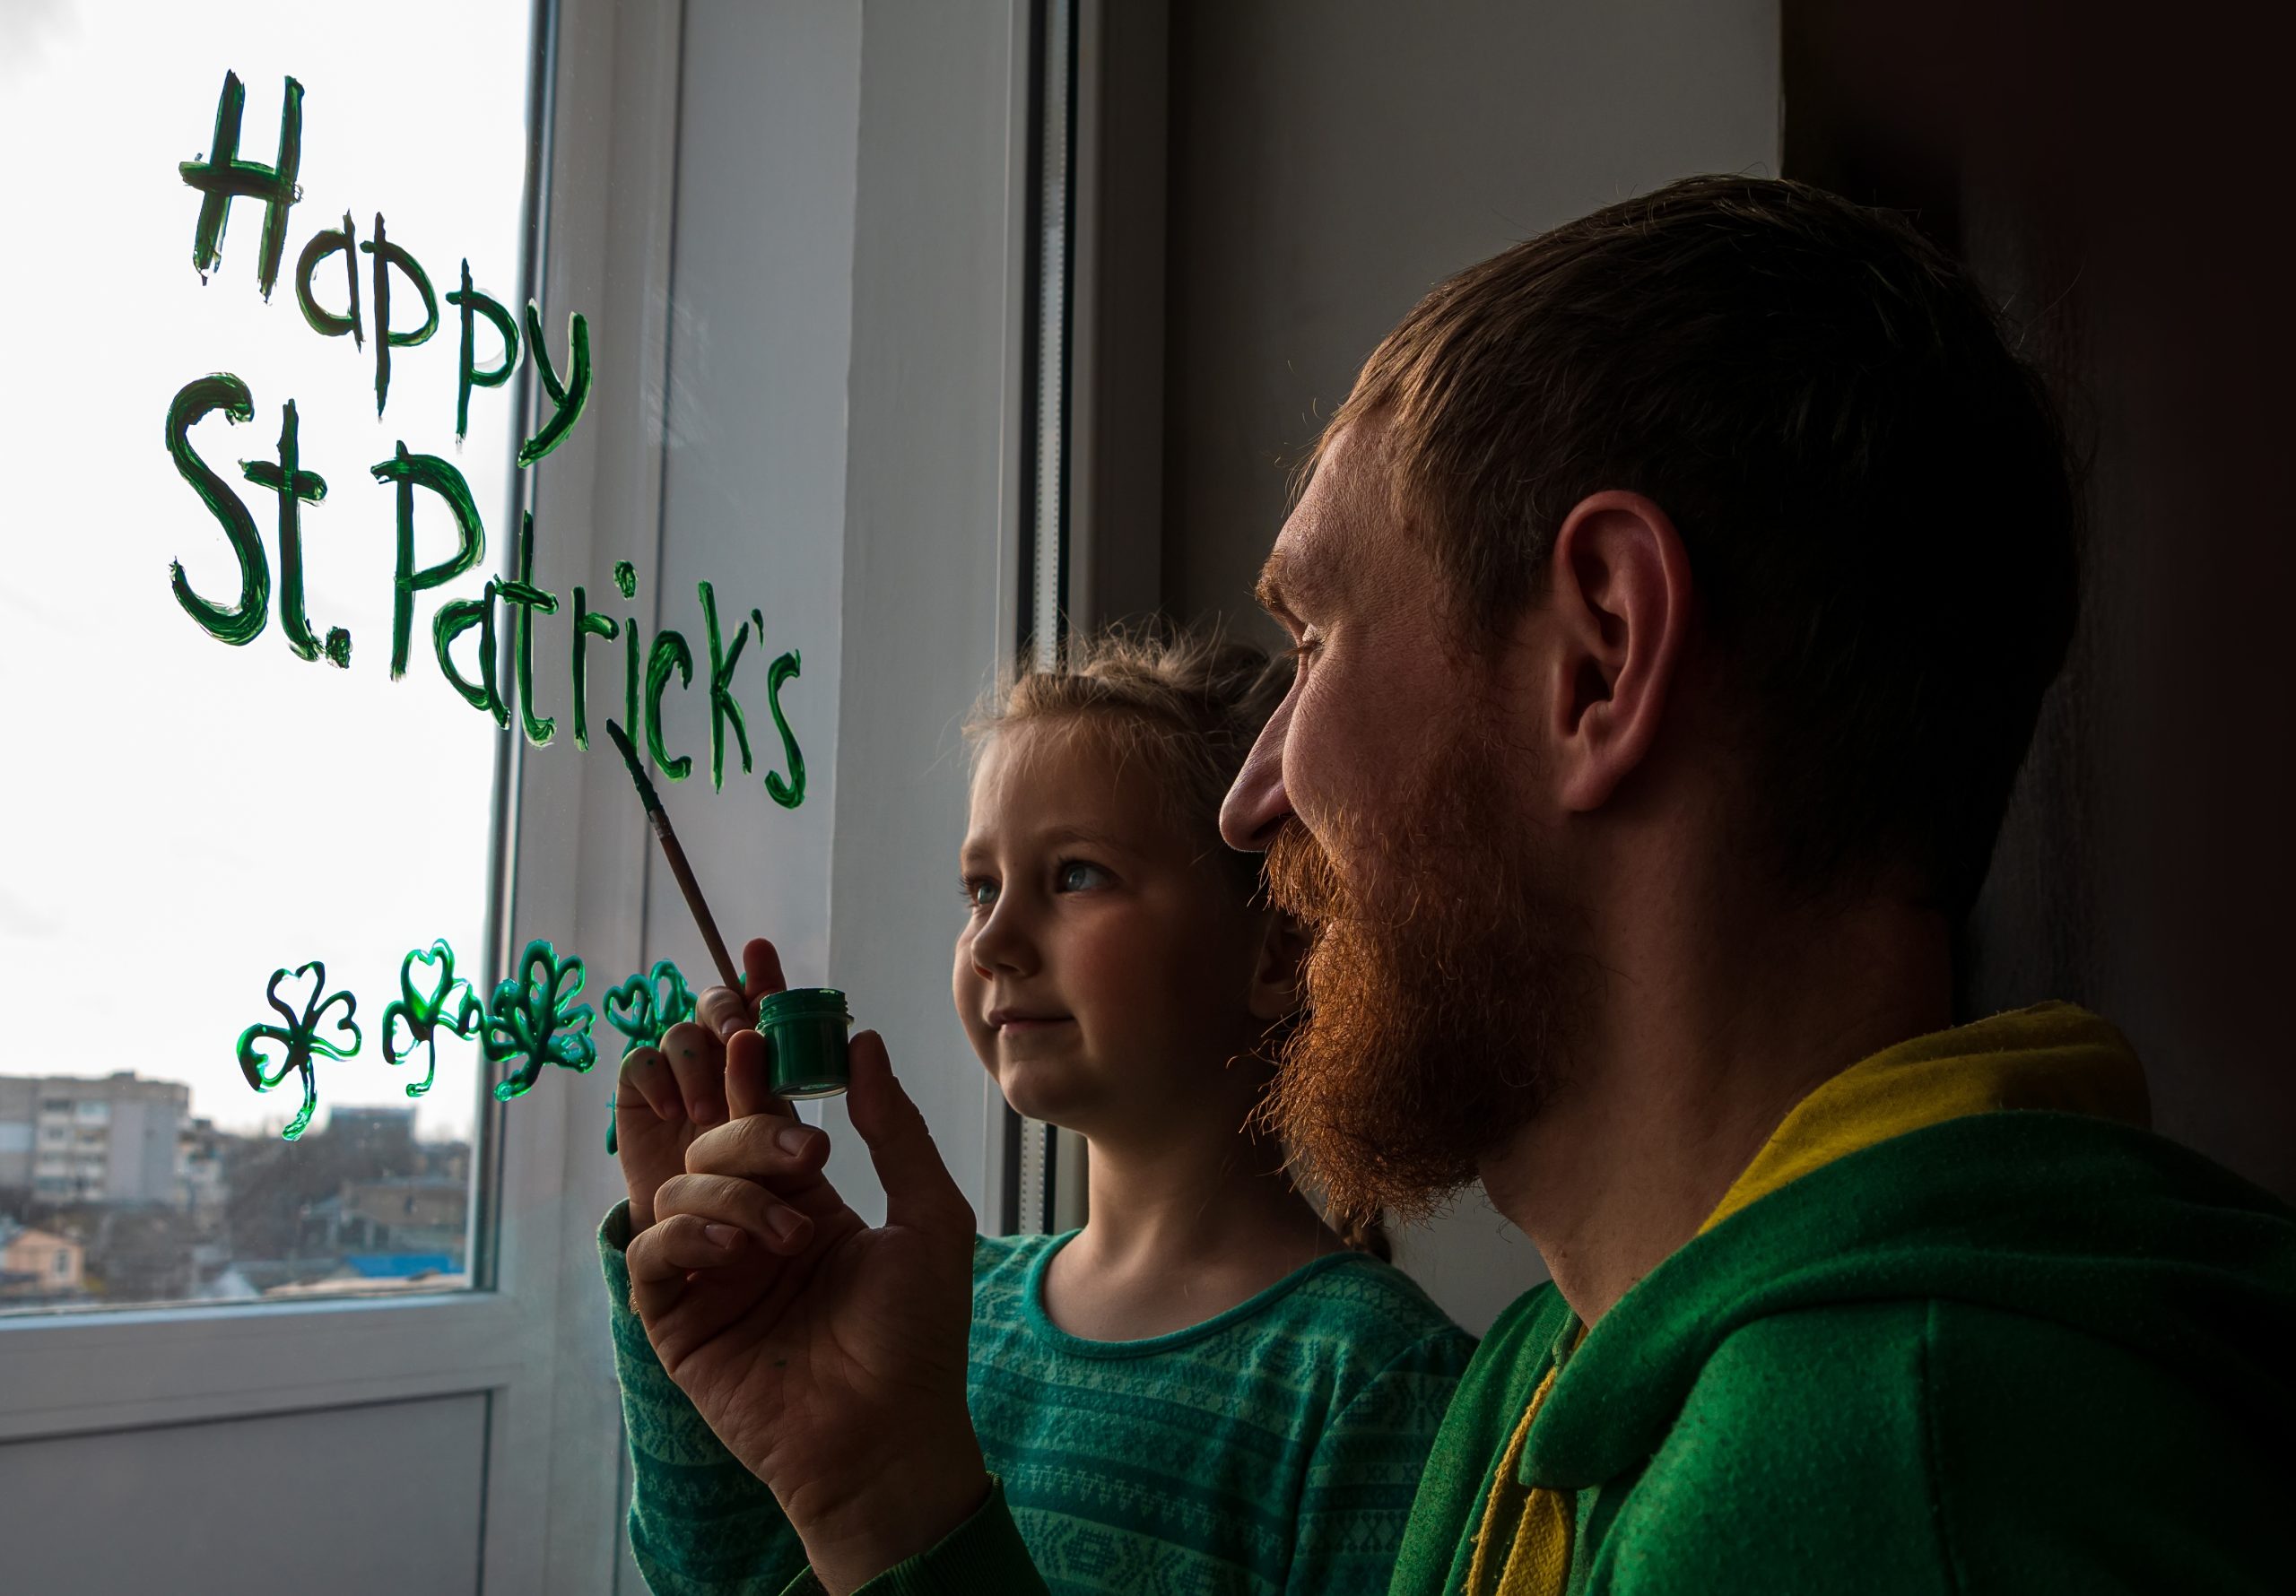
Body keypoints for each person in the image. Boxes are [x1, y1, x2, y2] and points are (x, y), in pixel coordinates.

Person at [627, 175, 2296, 1594]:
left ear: (1600, 656)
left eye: (1312, 638)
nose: (1250, 799)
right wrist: (883, 1503)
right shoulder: (1541, 1386)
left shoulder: (1893, 1485)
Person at [603, 629, 1474, 1593]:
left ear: (1276, 952)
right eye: (981, 888)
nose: (993, 942)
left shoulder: (1382, 1389)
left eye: (1076, 874)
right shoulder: (931, 1310)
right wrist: (718, 1333)